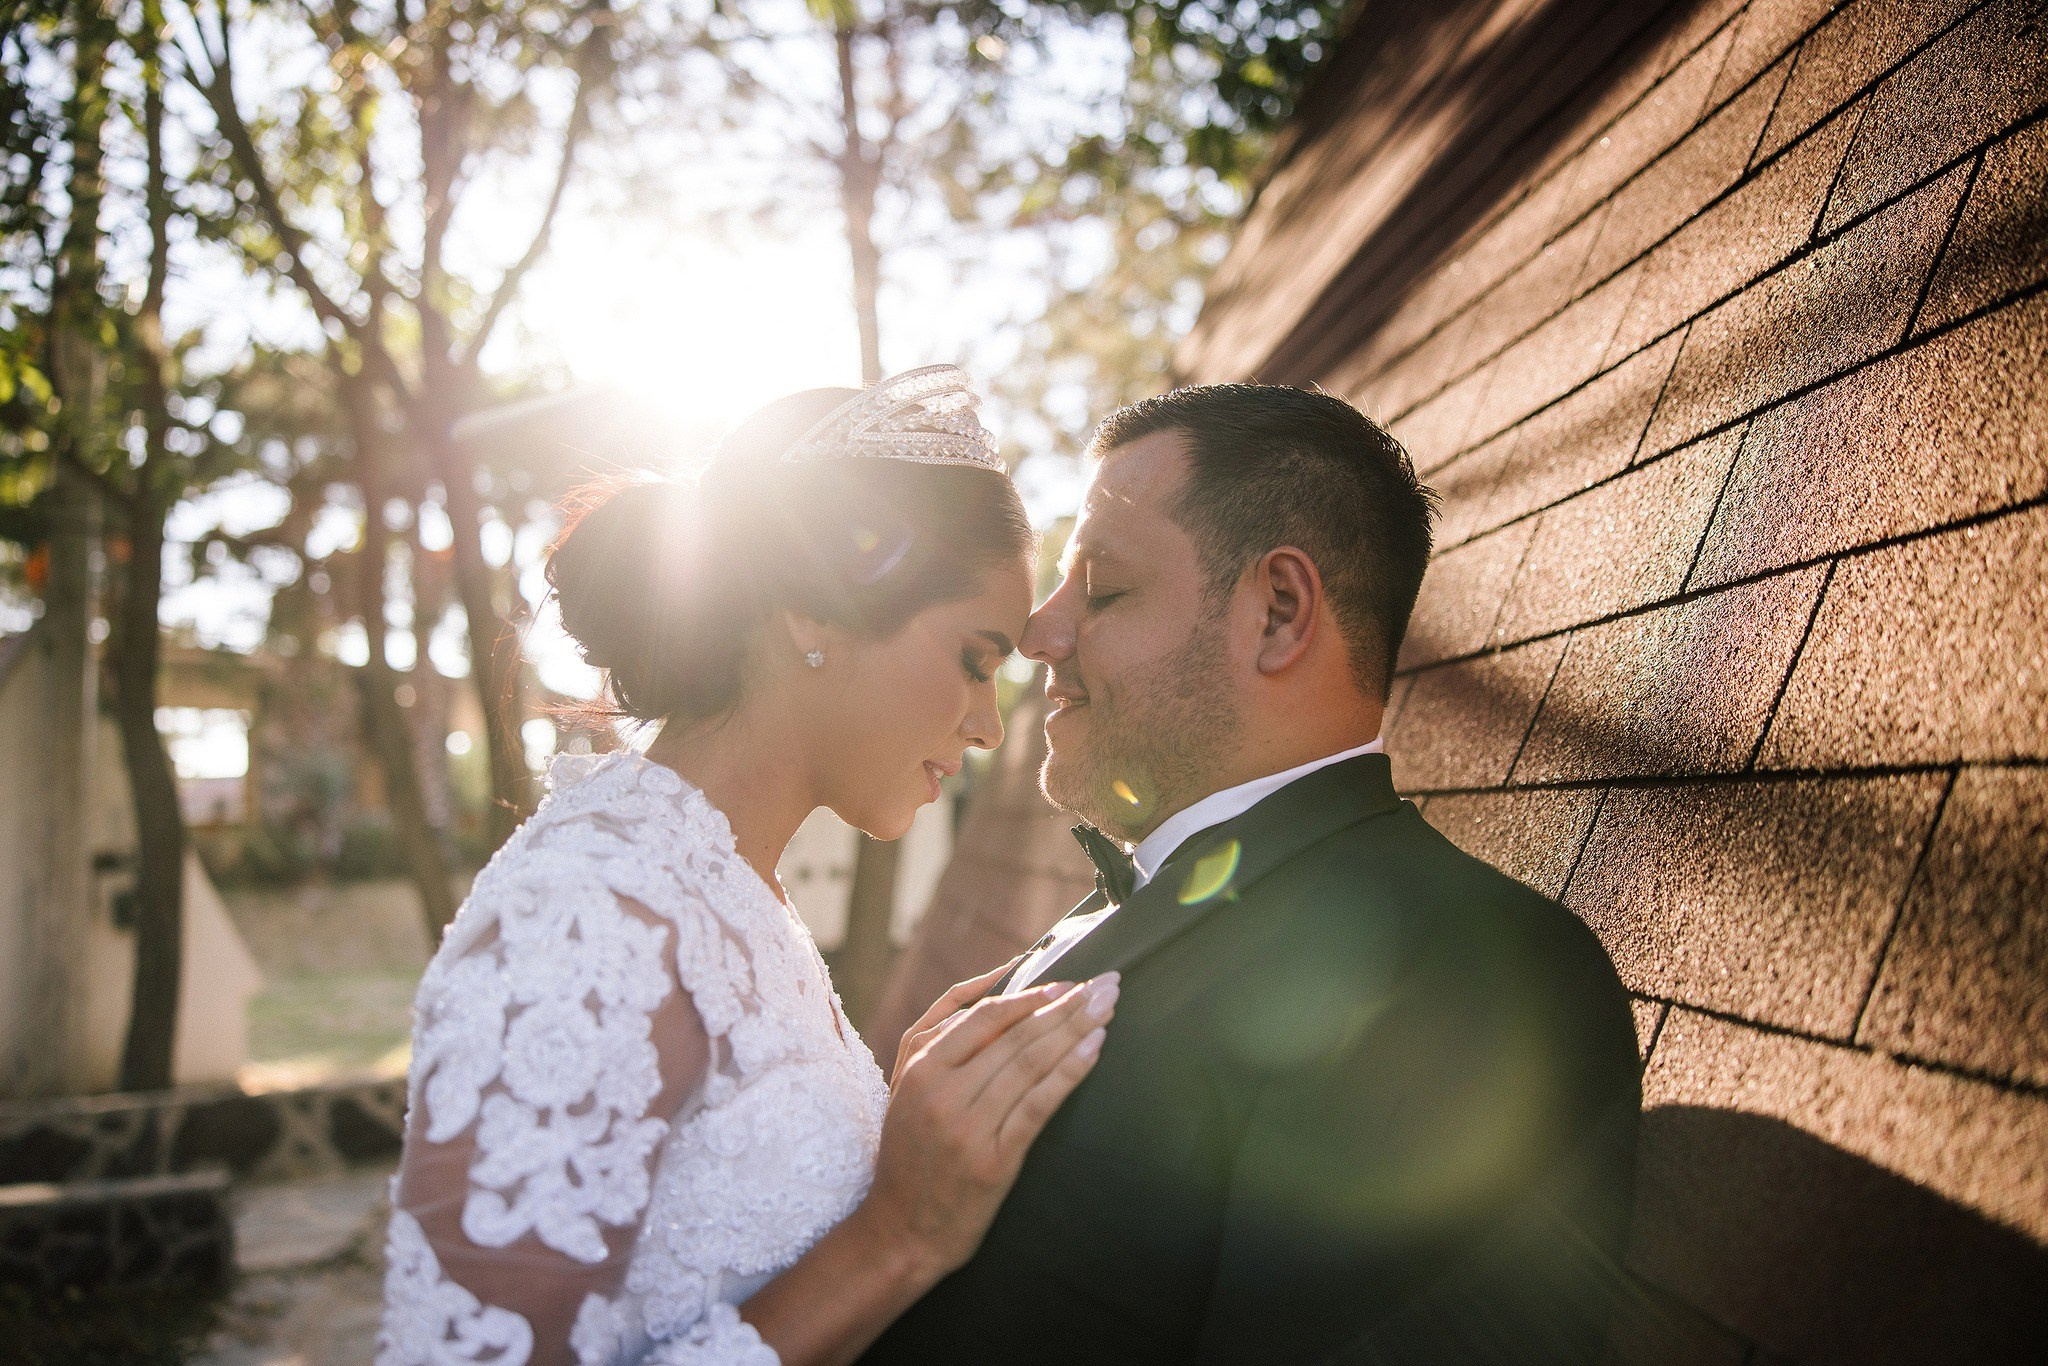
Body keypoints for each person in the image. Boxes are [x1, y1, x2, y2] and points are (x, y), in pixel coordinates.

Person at [862, 384, 1642, 1365]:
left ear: (1276, 612)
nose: (1038, 634)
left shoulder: (1474, 971)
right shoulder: (1129, 900)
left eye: (1100, 588)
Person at [378, 367, 1121, 1366]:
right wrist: (895, 1235)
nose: (988, 726)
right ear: (812, 612)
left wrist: (887, 1132)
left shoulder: (731, 893)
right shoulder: (585, 913)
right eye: (973, 659)